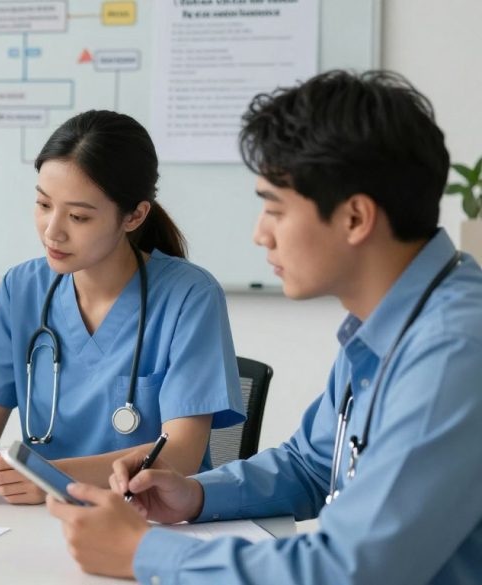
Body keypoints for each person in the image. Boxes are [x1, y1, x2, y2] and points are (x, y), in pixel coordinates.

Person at [47, 70, 482, 584]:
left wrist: (144, 554)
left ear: (355, 218)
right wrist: (197, 494)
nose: (260, 234)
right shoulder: (387, 323)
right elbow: (311, 465)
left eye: (275, 208)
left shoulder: (453, 350)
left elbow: (350, 569)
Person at [0, 110, 245, 504]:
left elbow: (180, 454)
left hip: (149, 517)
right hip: (39, 519)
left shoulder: (190, 296)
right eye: (43, 204)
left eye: (78, 216)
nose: (52, 230)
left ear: (134, 215)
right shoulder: (21, 287)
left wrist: (51, 477)